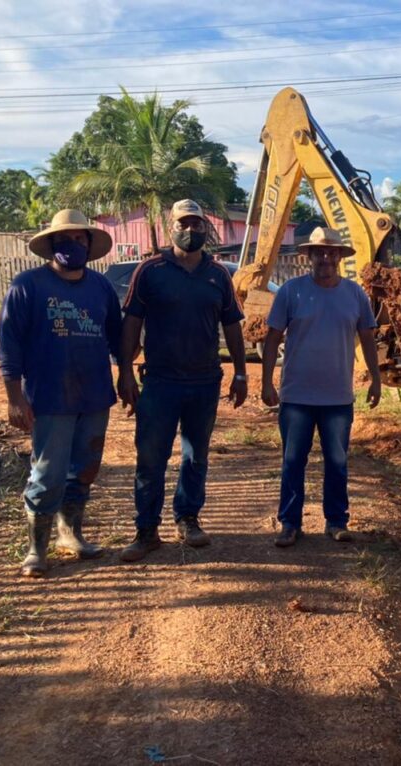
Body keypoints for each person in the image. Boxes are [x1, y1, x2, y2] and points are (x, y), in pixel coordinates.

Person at [117, 199, 247, 561]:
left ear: (206, 229)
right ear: (171, 226)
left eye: (197, 225)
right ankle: (146, 530)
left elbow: (232, 325)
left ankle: (188, 519)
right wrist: (125, 370)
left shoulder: (218, 275)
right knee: (150, 457)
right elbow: (132, 323)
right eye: (183, 224)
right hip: (159, 382)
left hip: (205, 382)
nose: (190, 231)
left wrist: (240, 372)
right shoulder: (150, 271)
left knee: (195, 456)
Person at [0, 209, 122, 577]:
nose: (73, 245)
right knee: (47, 473)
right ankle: (36, 549)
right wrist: (14, 397)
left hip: (95, 395)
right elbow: (9, 343)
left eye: (79, 239)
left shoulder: (100, 288)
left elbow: (116, 337)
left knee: (83, 470)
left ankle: (71, 535)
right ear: (52, 245)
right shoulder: (28, 285)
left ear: (89, 244)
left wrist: (128, 375)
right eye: (64, 240)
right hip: (50, 397)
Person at [260, 226, 381, 546]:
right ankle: (289, 522)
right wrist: (266, 381)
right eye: (319, 252)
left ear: (339, 257)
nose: (326, 257)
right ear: (309, 256)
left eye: (332, 252)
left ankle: (336, 521)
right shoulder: (291, 291)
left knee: (337, 461)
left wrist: (376, 378)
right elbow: (272, 338)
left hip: (338, 396)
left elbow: (368, 338)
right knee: (293, 460)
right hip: (296, 396)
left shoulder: (355, 294)